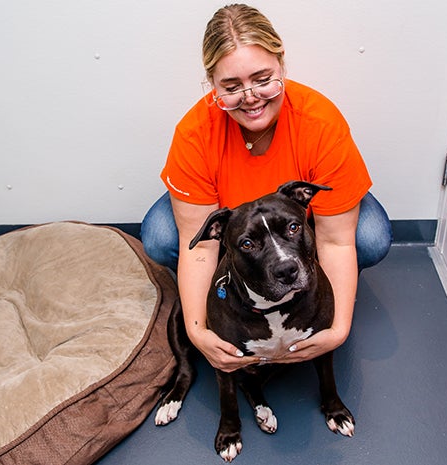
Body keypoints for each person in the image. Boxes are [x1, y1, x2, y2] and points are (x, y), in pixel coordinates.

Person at [141, 4, 391, 374]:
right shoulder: (195, 134)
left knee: (368, 237)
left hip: (297, 222)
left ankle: (305, 284)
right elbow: (201, 250)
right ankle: (242, 283)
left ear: (282, 64)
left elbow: (337, 241)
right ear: (212, 85)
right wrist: (198, 331)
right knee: (161, 236)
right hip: (231, 217)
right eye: (231, 87)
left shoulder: (319, 123)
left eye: (262, 78)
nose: (251, 97)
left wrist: (337, 329)